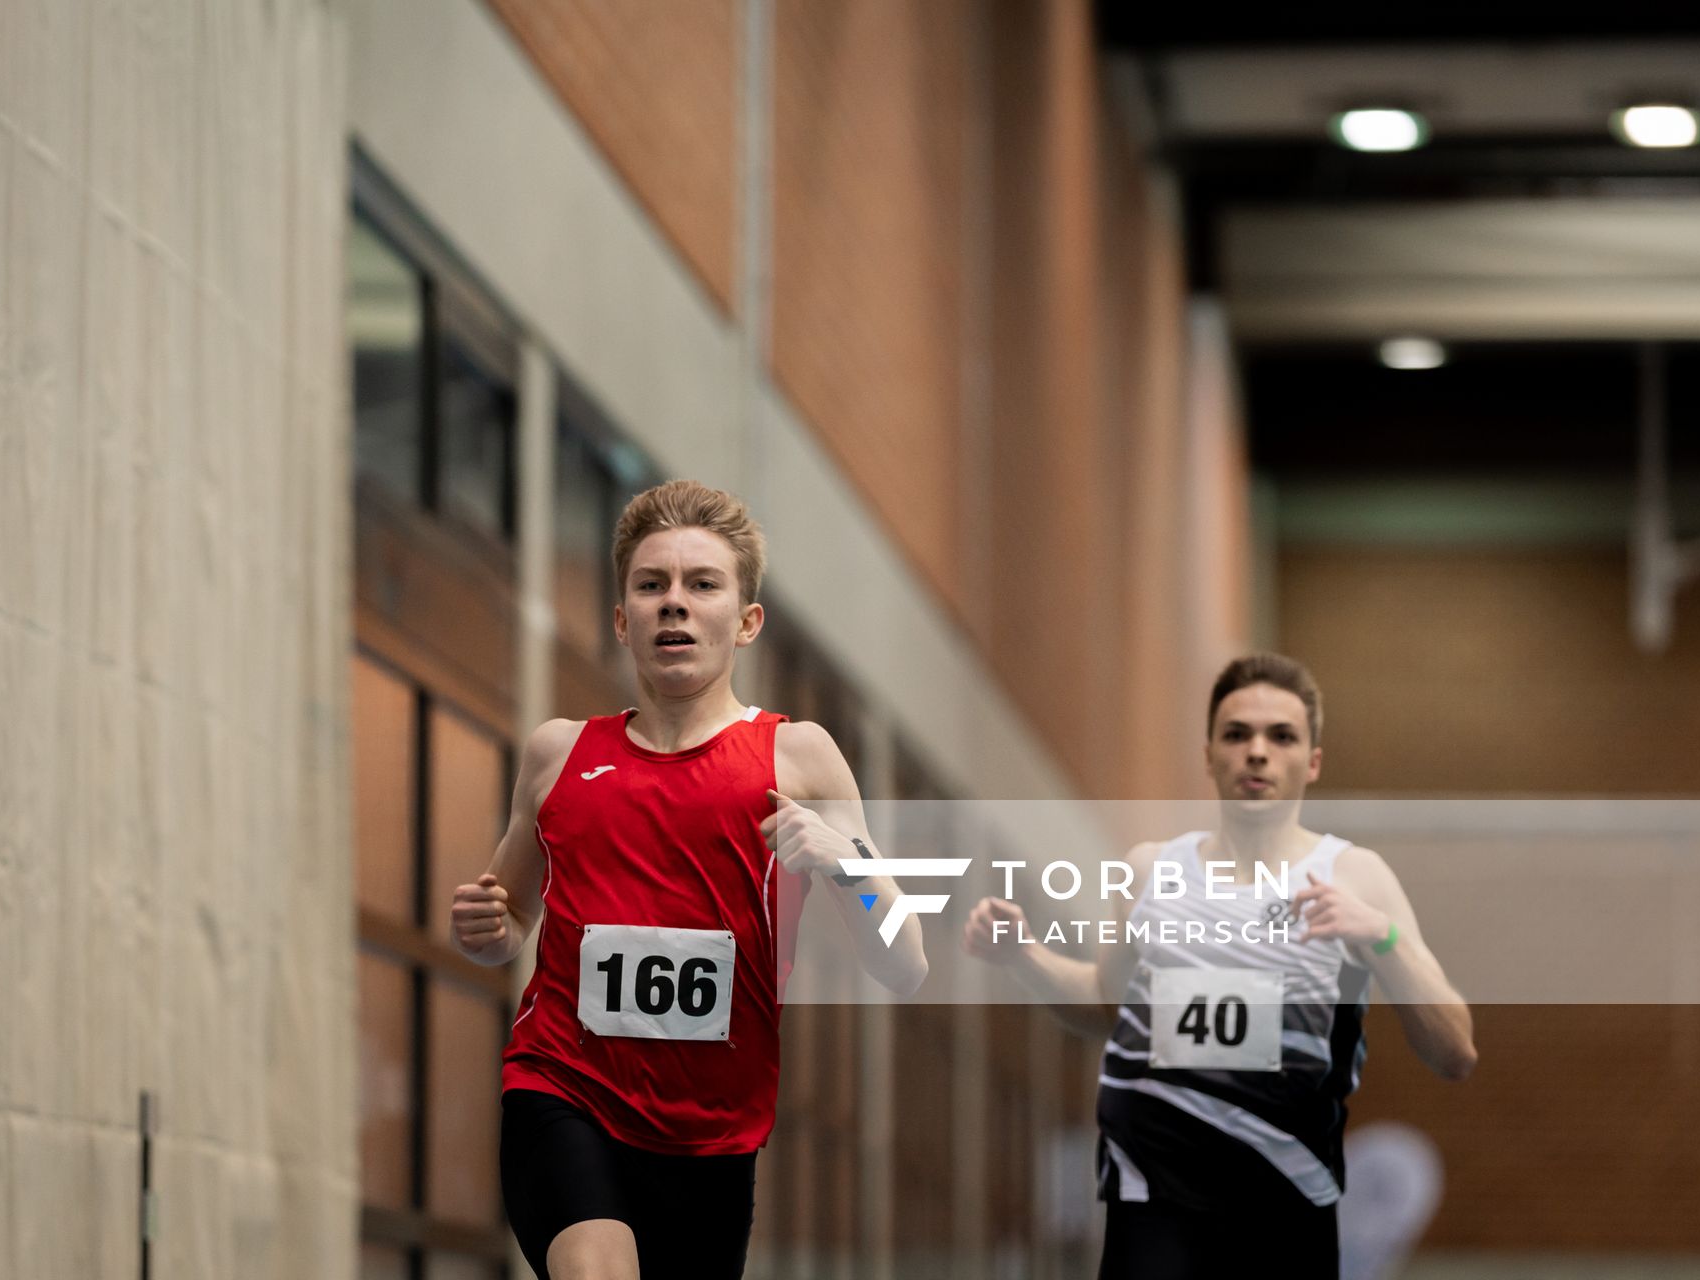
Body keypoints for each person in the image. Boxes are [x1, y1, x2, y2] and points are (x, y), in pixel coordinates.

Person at [451, 480, 928, 1280]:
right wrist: (489, 931)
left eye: (702, 585)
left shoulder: (798, 757)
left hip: (710, 1134)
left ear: (745, 623)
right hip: (564, 1090)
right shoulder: (558, 754)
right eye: (651, 585)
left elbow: (904, 962)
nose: (674, 604)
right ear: (621, 619)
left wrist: (847, 865)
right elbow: (507, 925)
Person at [963, 653, 1475, 1279]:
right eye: (1237, 734)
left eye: (1281, 736)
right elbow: (1105, 1003)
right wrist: (1024, 957)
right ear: (1209, 755)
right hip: (1152, 1204)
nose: (1257, 752)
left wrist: (1383, 938)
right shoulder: (1150, 870)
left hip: (1282, 1209)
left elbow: (1454, 1052)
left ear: (1312, 761)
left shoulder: (1354, 876)